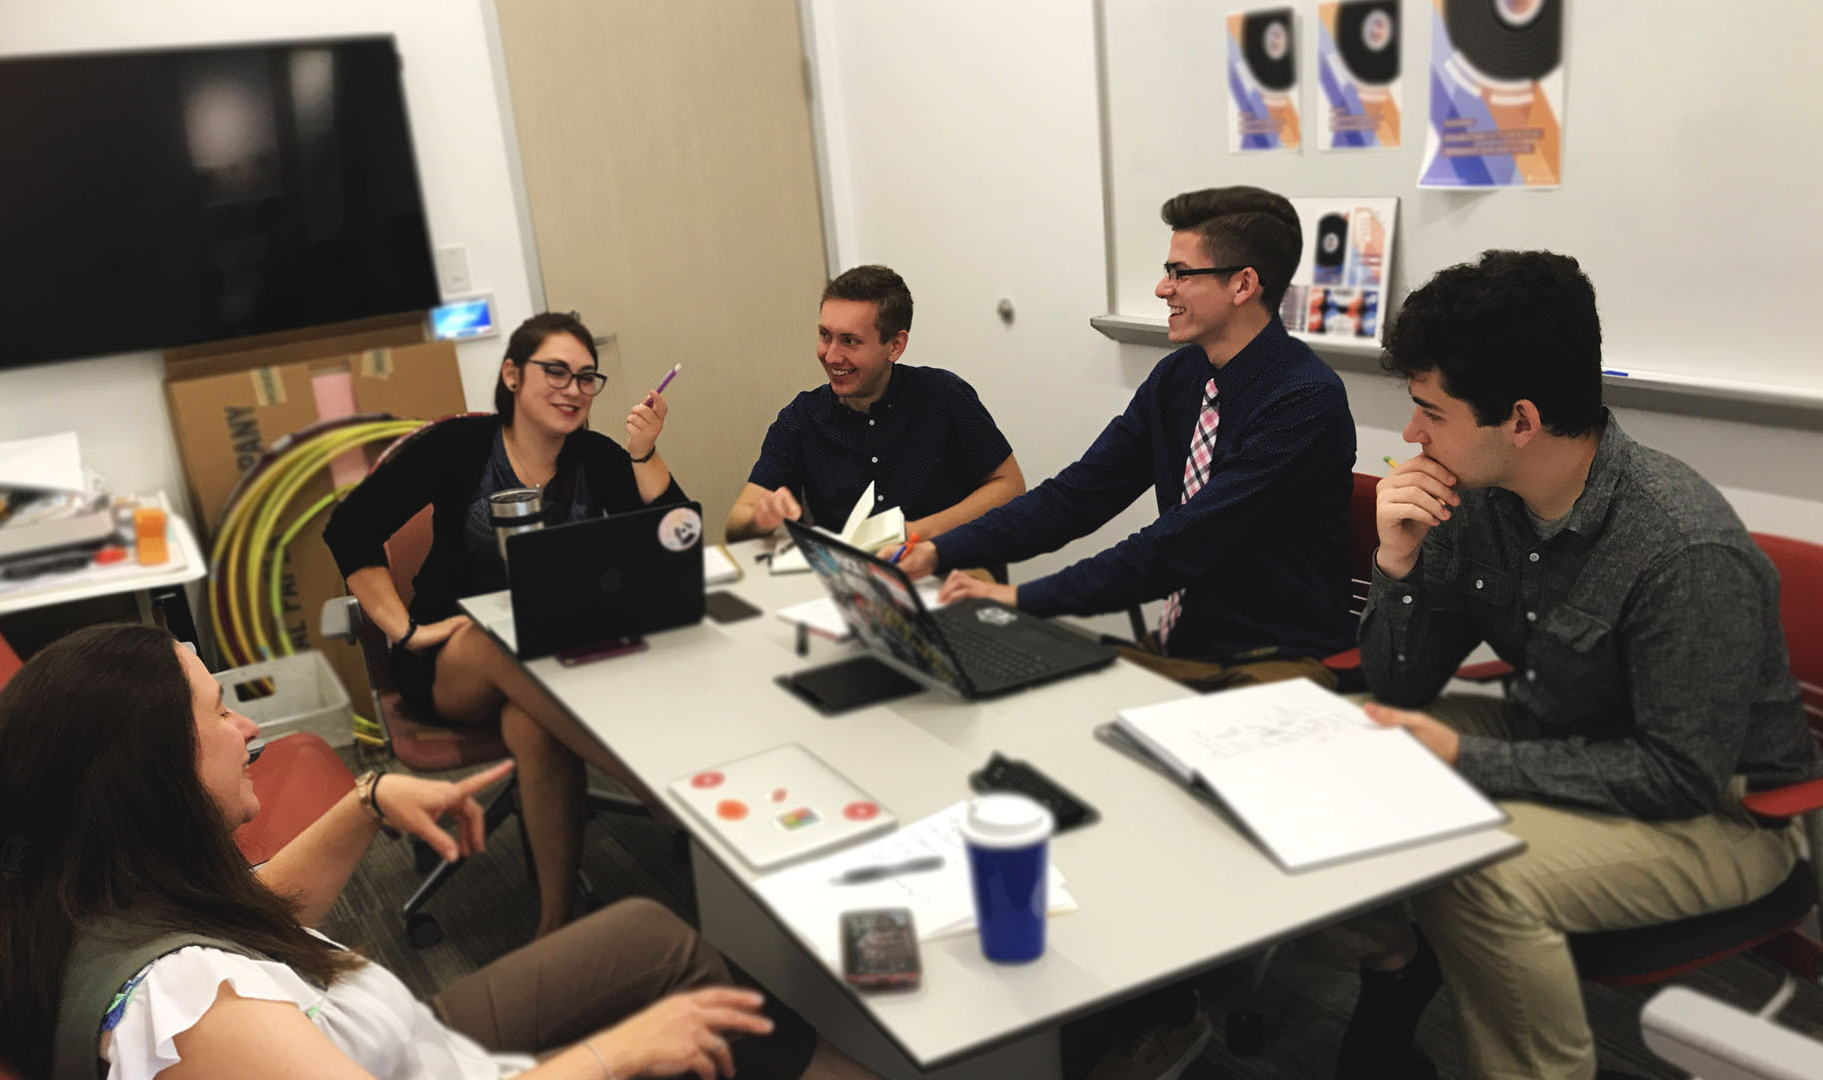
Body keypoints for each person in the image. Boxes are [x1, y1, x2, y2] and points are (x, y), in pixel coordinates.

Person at [0, 625, 873, 1080]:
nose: (247, 731)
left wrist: (369, 800)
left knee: (652, 934)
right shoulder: (190, 1011)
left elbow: (263, 908)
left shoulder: (90, 890)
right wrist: (617, 1052)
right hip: (426, 1061)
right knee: (701, 1013)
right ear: (150, 773)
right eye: (217, 711)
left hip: (397, 1035)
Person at [1332, 250, 1817, 1080]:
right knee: (1343, 746)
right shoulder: (1474, 496)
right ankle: (1395, 963)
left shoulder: (1682, 547)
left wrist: (1470, 759)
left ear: (1519, 420)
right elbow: (1399, 683)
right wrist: (1397, 564)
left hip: (1726, 815)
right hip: (1560, 730)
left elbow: (1678, 776)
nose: (1411, 435)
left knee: (1476, 874)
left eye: (1429, 411)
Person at [894, 186, 1357, 690]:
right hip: (1184, 648)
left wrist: (1023, 599)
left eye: (1180, 273)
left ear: (1243, 285)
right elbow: (1076, 497)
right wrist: (940, 550)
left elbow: (1180, 545)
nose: (1163, 288)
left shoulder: (1305, 402)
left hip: (1273, 662)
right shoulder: (1178, 378)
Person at [323, 311, 683, 936]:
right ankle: (662, 792)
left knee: (535, 731)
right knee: (490, 637)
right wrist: (404, 630)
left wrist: (646, 454)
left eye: (586, 378)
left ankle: (556, 930)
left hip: (556, 662)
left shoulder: (598, 458)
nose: (573, 389)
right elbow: (349, 528)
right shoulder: (456, 447)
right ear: (512, 374)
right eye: (556, 372)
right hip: (452, 659)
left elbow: (675, 541)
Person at [723, 265, 1024, 544]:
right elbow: (736, 523)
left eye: (850, 341)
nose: (831, 356)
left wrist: (917, 533)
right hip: (849, 580)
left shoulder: (943, 395)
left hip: (945, 567)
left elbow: (1009, 485)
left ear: (895, 346)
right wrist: (760, 518)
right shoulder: (800, 419)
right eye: (825, 336)